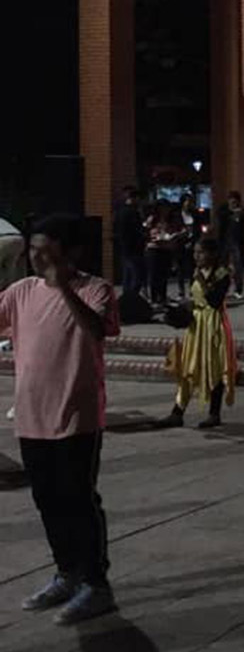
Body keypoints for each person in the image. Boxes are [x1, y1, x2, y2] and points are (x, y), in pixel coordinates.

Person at [0, 214, 121, 625]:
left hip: (76, 418)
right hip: (31, 418)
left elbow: (95, 330)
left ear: (73, 253)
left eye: (47, 252)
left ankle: (95, 584)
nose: (37, 260)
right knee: (47, 500)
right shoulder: (20, 292)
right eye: (33, 251)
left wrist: (63, 286)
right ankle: (65, 573)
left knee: (78, 500)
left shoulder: (96, 289)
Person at [156, 238, 238, 429]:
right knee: (188, 366)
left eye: (201, 252)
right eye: (195, 252)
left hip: (213, 325)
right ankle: (177, 411)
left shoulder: (222, 274)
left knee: (214, 367)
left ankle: (214, 413)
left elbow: (214, 301)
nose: (197, 256)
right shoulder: (197, 272)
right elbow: (196, 298)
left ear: (212, 254)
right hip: (196, 324)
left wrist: (201, 279)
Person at [144, 202, 184, 305]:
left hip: (167, 248)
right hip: (154, 248)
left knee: (164, 274)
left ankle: (162, 296)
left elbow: (176, 231)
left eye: (166, 208)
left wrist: (176, 235)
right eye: (162, 208)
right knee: (154, 274)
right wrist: (153, 237)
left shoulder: (171, 220)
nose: (165, 210)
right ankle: (153, 297)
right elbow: (145, 232)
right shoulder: (152, 219)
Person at [114, 186, 147, 299]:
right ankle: (132, 299)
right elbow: (136, 231)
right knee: (136, 276)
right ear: (135, 198)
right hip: (134, 249)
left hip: (125, 249)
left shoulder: (120, 211)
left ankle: (126, 300)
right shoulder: (132, 212)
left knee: (127, 276)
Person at [222, 191, 244, 299]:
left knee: (238, 266)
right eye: (230, 199)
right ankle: (223, 289)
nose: (232, 202)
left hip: (238, 242)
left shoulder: (243, 213)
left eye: (234, 200)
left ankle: (238, 289)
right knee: (223, 267)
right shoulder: (226, 212)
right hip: (226, 241)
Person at [175, 193, 202, 299]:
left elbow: (198, 230)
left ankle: (192, 290)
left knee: (192, 269)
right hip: (180, 244)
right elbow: (174, 228)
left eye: (190, 201)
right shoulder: (177, 215)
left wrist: (193, 241)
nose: (188, 204)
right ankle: (181, 292)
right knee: (180, 269)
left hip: (192, 244)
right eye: (186, 201)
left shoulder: (195, 215)